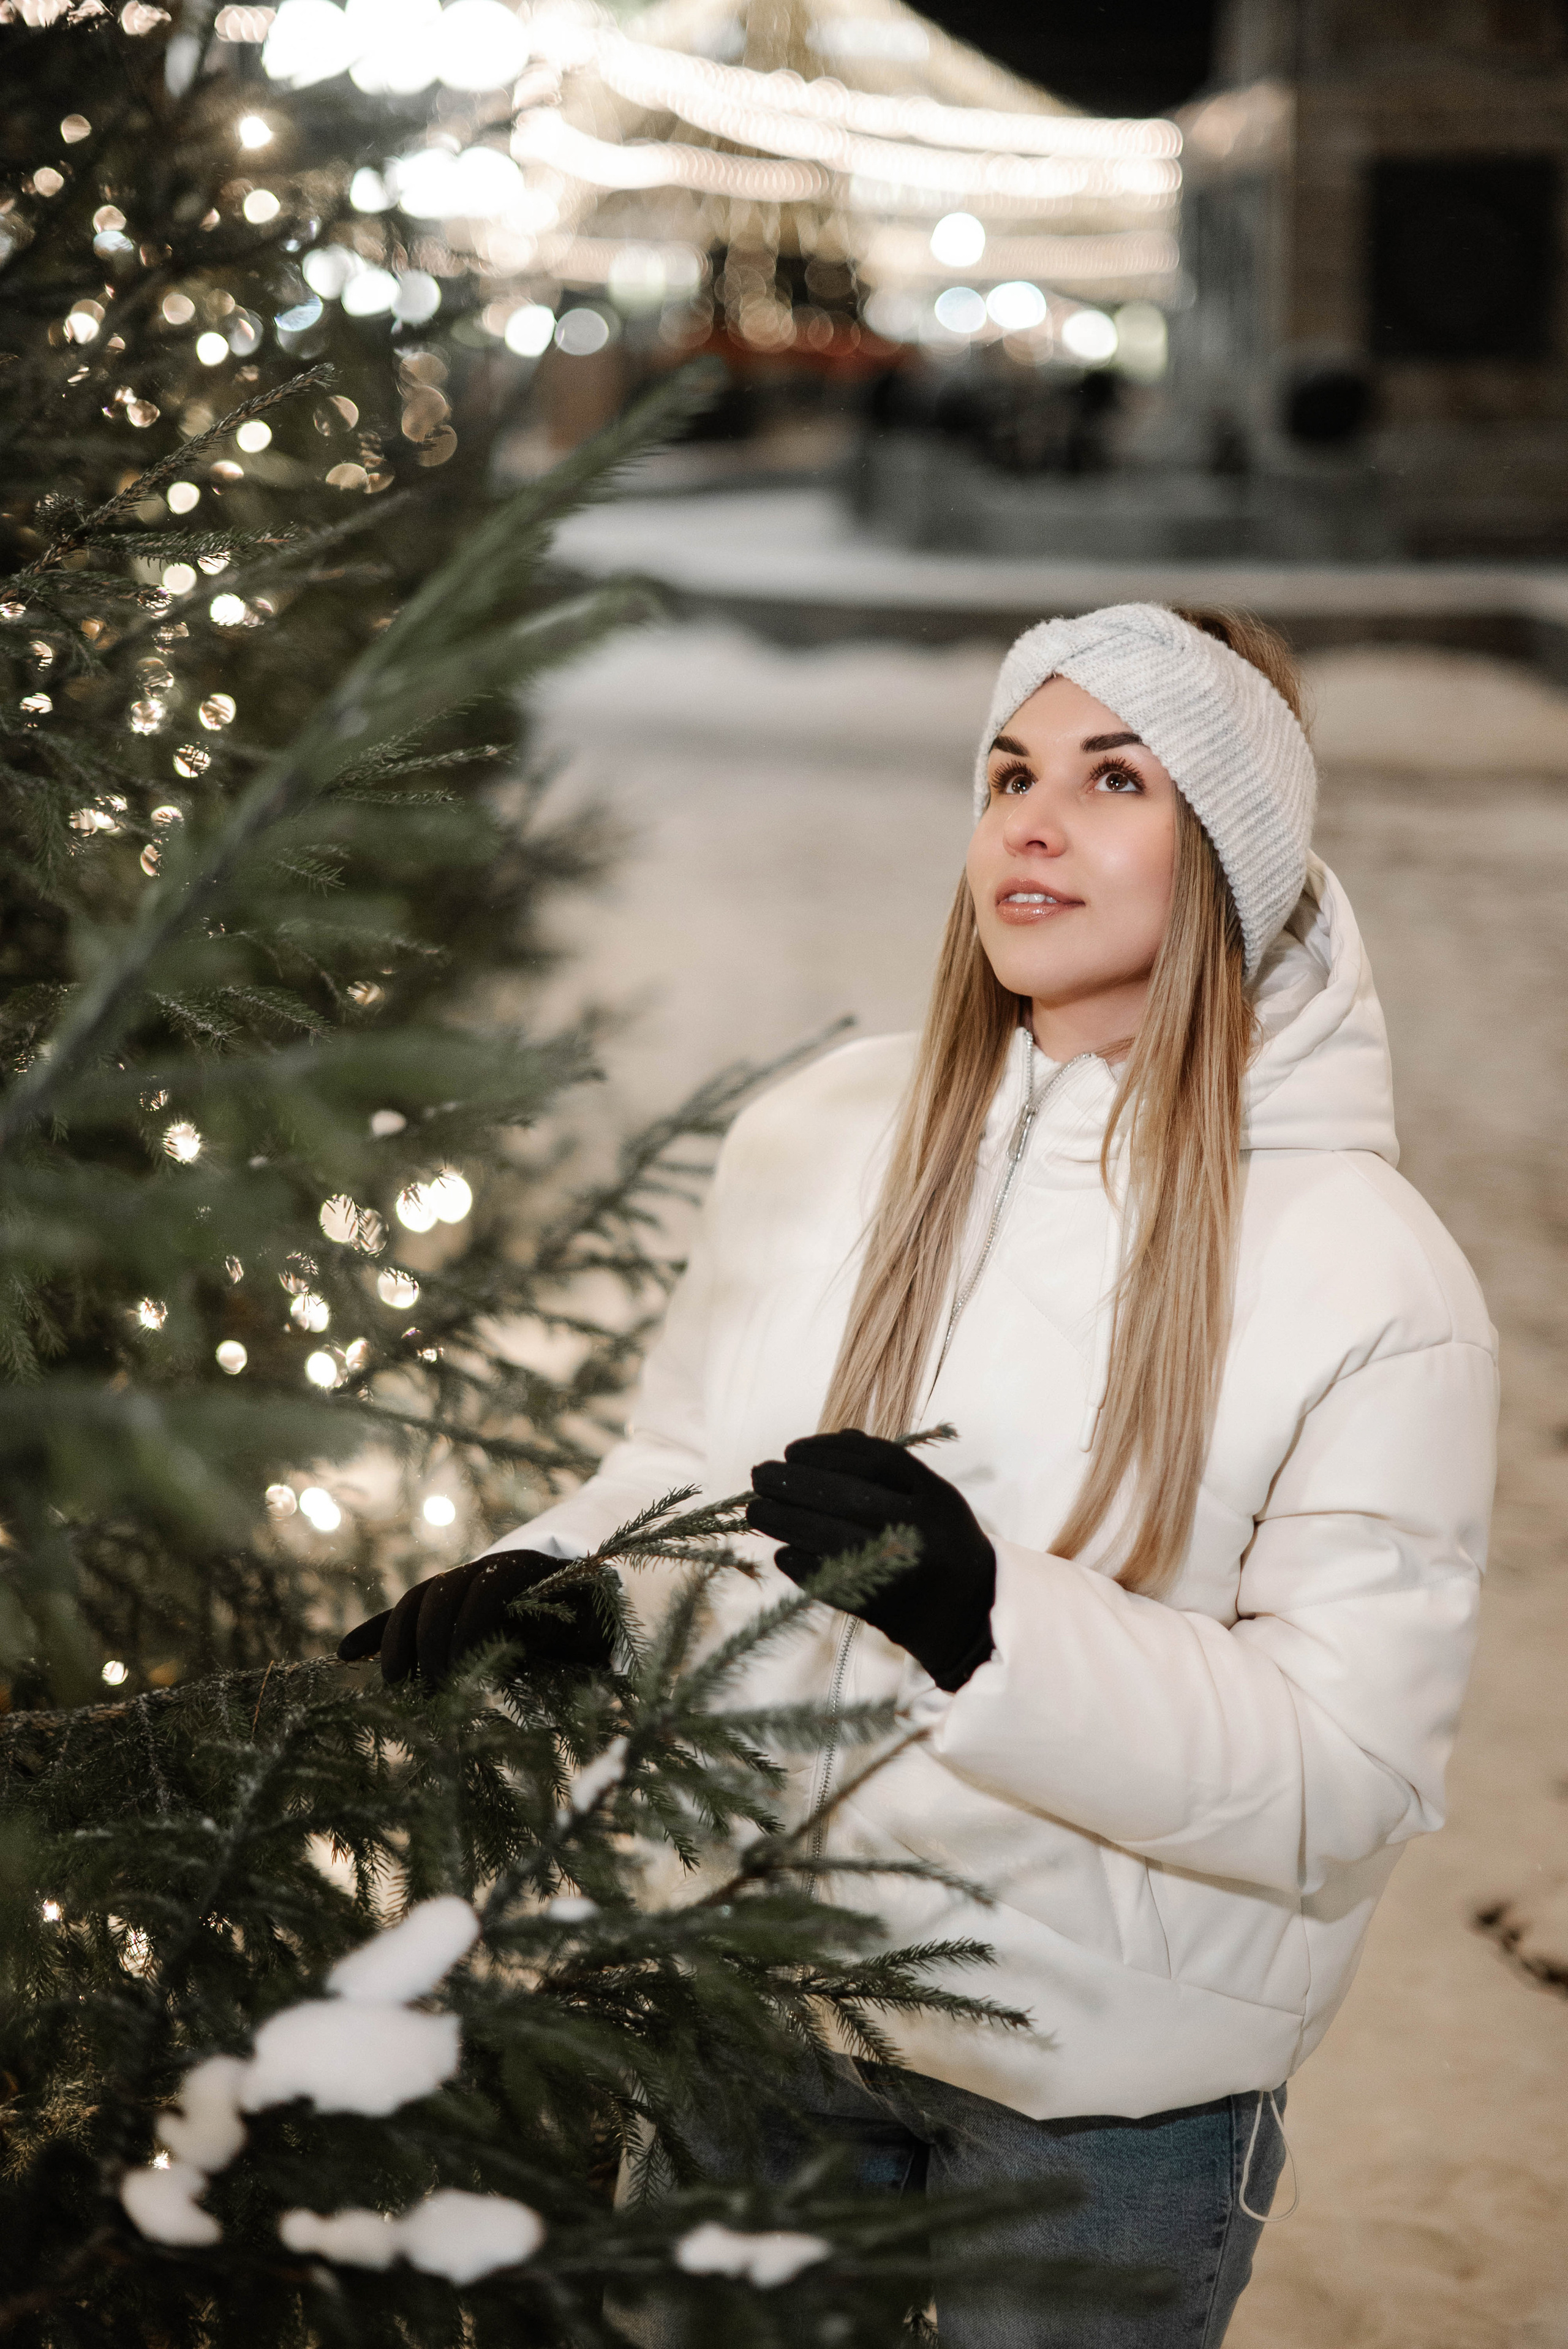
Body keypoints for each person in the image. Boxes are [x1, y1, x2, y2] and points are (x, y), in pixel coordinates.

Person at [340, 603, 1498, 2345]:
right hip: (760, 1989)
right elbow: (683, 1463)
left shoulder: (1365, 1267)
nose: (1033, 821)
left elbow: (1348, 1781)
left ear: (1237, 856)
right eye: (1009, 772)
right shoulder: (822, 1137)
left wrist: (988, 1622)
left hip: (1106, 2092)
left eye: (1116, 778)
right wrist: (576, 1586)